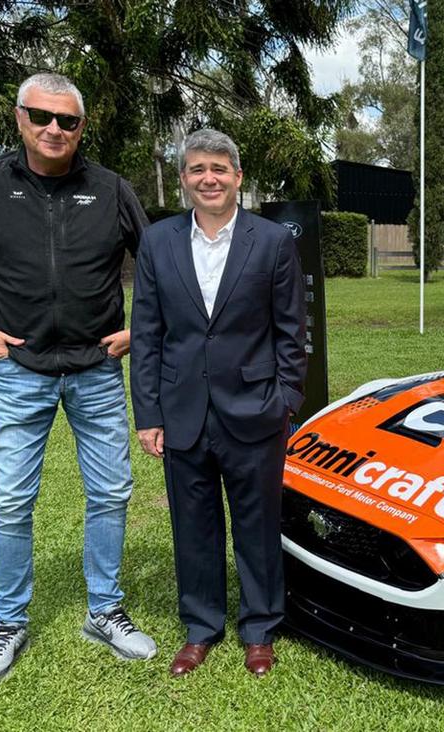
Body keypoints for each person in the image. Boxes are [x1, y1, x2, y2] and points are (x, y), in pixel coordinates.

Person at [0, 73, 157, 688]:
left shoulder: (111, 189)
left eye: (67, 121)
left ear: (81, 126)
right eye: (41, 117)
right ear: (20, 118)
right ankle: (8, 623)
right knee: (10, 500)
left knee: (111, 494)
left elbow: (162, 264)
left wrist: (142, 329)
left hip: (97, 370)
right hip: (18, 371)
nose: (54, 129)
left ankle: (105, 611)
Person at [130, 129, 306, 678]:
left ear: (237, 177)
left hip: (255, 409)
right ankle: (201, 627)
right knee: (193, 526)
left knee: (256, 524)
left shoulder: (273, 242)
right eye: (197, 169)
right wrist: (149, 414)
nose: (208, 178)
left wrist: (285, 400)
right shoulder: (157, 242)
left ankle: (259, 627)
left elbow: (291, 332)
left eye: (219, 169)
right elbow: (147, 333)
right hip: (182, 412)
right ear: (183, 179)